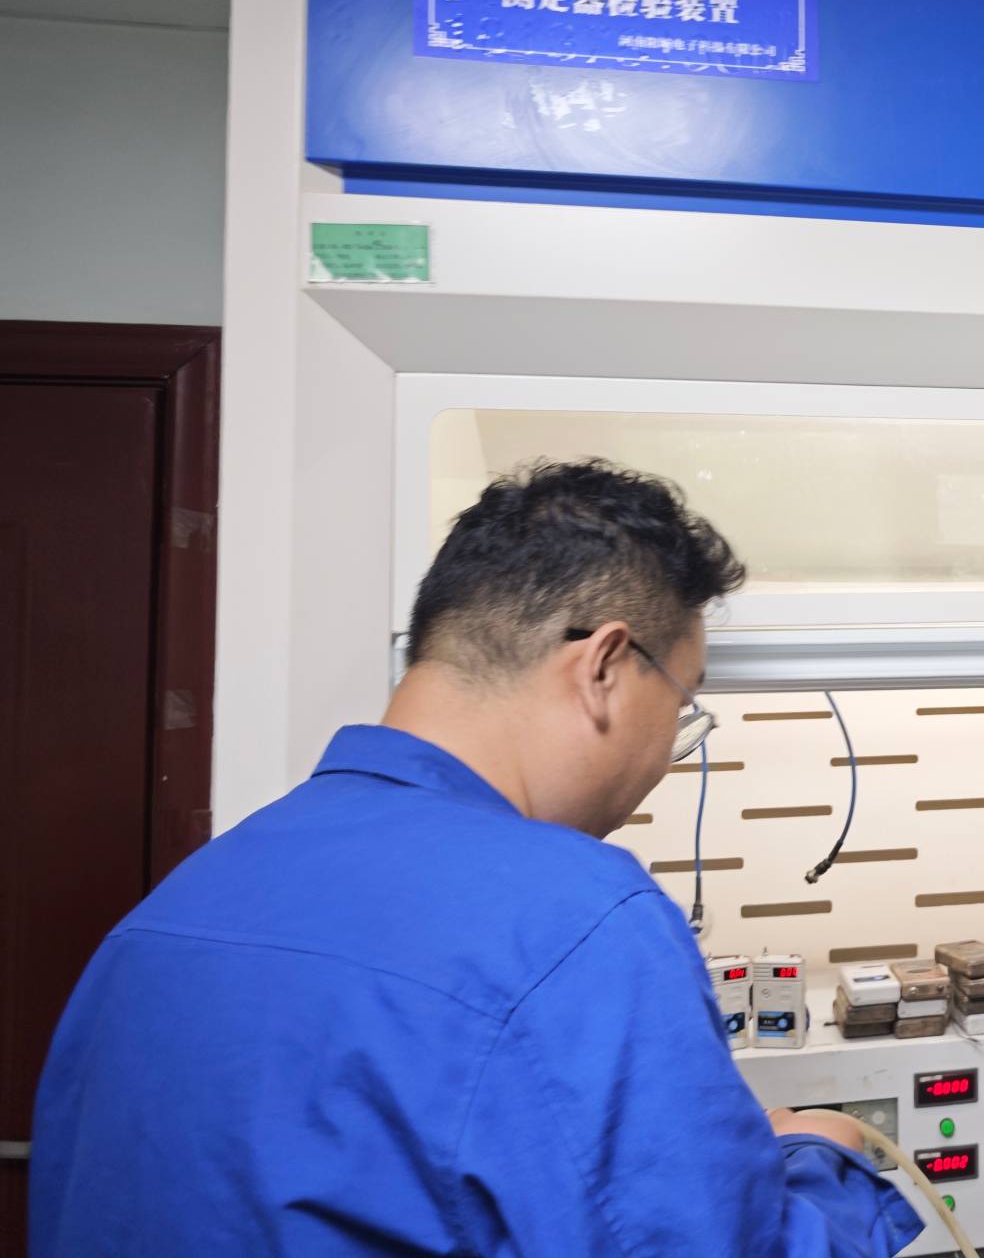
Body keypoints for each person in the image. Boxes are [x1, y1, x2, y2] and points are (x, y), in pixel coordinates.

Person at [31, 461, 922, 1257]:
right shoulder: (574, 919)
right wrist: (821, 1163)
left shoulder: (171, 911)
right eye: (682, 705)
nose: (666, 753)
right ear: (605, 665)